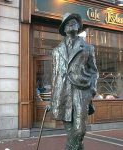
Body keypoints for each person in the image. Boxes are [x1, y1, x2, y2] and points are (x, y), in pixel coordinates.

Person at [51, 13, 99, 150]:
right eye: (67, 23)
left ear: (79, 27)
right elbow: (54, 76)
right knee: (71, 132)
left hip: (82, 92)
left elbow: (94, 71)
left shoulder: (88, 48)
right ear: (64, 29)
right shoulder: (56, 51)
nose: (71, 24)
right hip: (63, 94)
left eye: (74, 22)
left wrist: (92, 90)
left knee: (80, 131)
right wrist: (52, 100)